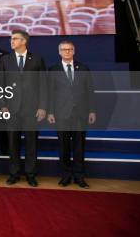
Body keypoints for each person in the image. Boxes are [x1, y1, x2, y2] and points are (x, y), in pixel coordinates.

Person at [0, 30, 47, 187]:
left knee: (31, 143)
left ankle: (31, 174)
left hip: (31, 109)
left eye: (15, 39)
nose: (11, 41)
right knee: (12, 143)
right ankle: (14, 174)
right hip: (11, 109)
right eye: (11, 39)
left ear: (24, 41)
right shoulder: (5, 59)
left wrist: (42, 107)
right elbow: (0, 85)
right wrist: (3, 106)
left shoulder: (37, 59)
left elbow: (43, 85)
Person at [48, 41, 96, 189]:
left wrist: (92, 110)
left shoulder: (83, 68)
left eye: (70, 49)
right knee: (63, 146)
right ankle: (66, 176)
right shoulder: (53, 70)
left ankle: (79, 177)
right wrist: (50, 112)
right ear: (59, 52)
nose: (67, 52)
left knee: (79, 147)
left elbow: (90, 91)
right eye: (64, 50)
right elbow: (49, 93)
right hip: (61, 114)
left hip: (80, 114)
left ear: (74, 51)